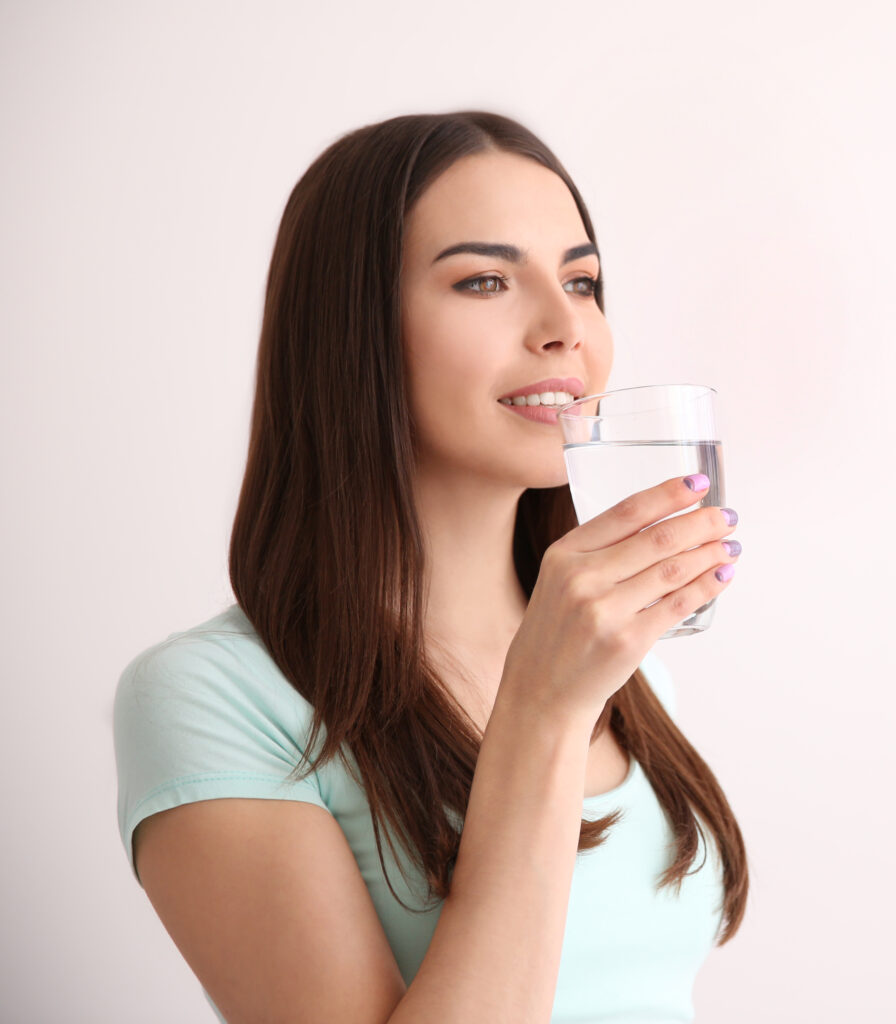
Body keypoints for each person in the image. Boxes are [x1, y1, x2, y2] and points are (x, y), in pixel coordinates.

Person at [113, 110, 747, 1024]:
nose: (564, 326)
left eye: (583, 280)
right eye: (486, 279)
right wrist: (540, 712)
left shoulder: (628, 663)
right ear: (352, 331)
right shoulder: (214, 696)